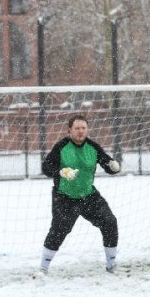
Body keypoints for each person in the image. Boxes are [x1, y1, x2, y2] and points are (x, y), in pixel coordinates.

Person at [39, 115, 122, 275]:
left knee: (110, 222)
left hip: (89, 196)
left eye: (83, 128)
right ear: (69, 130)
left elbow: (106, 163)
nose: (80, 131)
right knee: (58, 231)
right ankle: (43, 268)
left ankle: (111, 265)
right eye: (77, 128)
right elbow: (46, 167)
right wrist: (62, 171)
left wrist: (113, 166)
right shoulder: (61, 146)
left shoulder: (93, 147)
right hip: (64, 197)